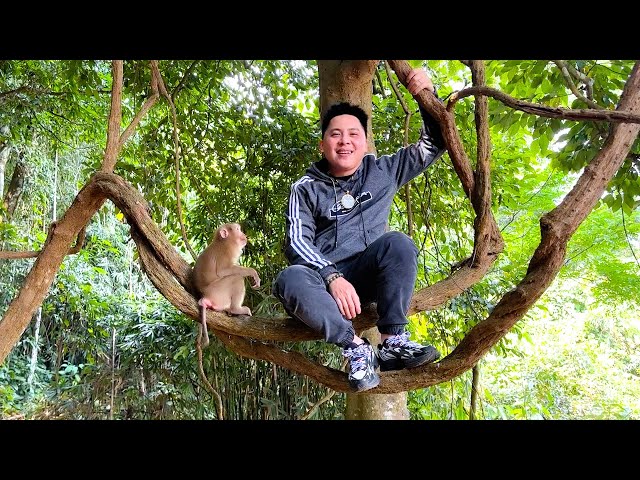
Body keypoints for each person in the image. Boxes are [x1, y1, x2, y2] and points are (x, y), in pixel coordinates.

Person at [272, 68, 446, 392]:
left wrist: (427, 96)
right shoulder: (305, 188)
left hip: (366, 276)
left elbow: (434, 143)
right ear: (323, 144)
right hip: (323, 285)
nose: (345, 141)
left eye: (354, 134)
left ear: (365, 142)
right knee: (288, 279)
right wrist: (332, 277)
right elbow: (297, 240)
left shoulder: (383, 170)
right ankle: (355, 348)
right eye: (336, 134)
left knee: (399, 243)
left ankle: (393, 341)